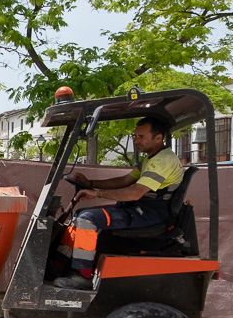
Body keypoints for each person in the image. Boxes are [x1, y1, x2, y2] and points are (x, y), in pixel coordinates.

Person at [53, 116, 184, 289]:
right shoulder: (151, 158)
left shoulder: (163, 161)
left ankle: (82, 276)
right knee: (79, 215)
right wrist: (90, 184)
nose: (136, 140)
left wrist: (97, 193)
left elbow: (135, 192)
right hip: (140, 210)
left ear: (158, 138)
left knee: (87, 219)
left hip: (148, 214)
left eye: (141, 136)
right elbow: (124, 180)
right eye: (135, 136)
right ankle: (59, 265)